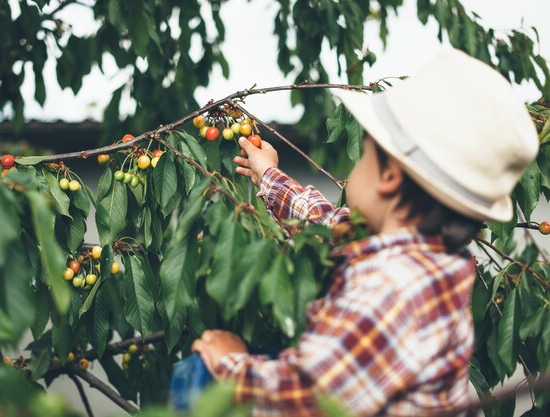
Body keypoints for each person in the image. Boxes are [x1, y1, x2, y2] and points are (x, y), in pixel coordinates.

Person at [191, 49, 539, 416]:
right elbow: (327, 223)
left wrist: (230, 364)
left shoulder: (393, 288)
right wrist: (270, 176)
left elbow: (307, 401)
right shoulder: (425, 259)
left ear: (388, 178)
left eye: (366, 152)